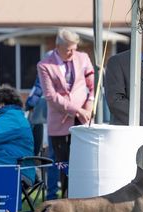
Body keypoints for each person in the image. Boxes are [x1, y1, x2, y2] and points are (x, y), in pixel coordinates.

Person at [37, 28, 95, 198]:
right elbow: (51, 96)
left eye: (75, 48)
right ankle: (62, 201)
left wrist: (89, 108)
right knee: (62, 165)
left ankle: (80, 199)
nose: (72, 53)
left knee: (82, 163)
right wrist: (77, 110)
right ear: (58, 46)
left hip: (82, 122)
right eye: (69, 49)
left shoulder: (83, 58)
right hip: (59, 125)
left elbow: (92, 86)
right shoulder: (45, 65)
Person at [0, 85, 35, 184]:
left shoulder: (12, 118)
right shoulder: (11, 117)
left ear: (1, 105)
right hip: (6, 164)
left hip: (14, 169)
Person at [26, 76, 60, 200]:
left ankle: (52, 195)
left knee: (53, 159)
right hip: (67, 118)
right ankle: (63, 193)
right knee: (59, 159)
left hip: (50, 119)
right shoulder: (76, 64)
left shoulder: (47, 66)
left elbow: (36, 91)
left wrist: (29, 104)